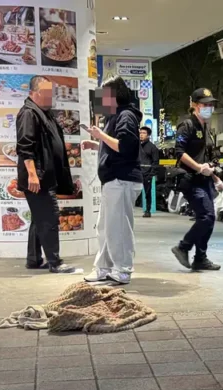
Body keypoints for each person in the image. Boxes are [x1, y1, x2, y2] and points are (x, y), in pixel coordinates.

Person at [81, 77, 144, 284]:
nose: (100, 101)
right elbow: (115, 145)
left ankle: (123, 270)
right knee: (106, 227)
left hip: (122, 179)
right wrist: (95, 143)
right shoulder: (115, 117)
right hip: (114, 180)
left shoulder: (126, 116)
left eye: (104, 95)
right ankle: (104, 267)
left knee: (118, 228)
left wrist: (100, 137)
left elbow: (126, 147)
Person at [17, 76, 77, 274]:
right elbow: (25, 147)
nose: (51, 97)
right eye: (47, 93)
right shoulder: (28, 113)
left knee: (39, 218)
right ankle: (55, 262)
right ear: (34, 93)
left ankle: (34, 259)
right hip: (38, 179)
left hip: (47, 177)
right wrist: (33, 175)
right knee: (49, 218)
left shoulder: (45, 113)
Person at [171, 88, 223, 271]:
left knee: (209, 219)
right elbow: (179, 153)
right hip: (190, 179)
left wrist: (216, 178)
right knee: (206, 216)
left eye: (211, 105)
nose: (209, 108)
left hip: (205, 180)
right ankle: (183, 247)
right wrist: (198, 168)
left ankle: (200, 257)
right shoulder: (186, 125)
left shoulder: (206, 128)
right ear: (194, 105)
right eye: (205, 105)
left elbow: (206, 159)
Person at [138, 126, 161, 217]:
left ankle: (148, 210)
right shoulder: (137, 146)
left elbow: (156, 162)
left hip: (147, 173)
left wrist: (151, 174)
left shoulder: (152, 148)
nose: (141, 135)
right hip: (137, 172)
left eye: (143, 133)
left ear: (148, 135)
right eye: (140, 133)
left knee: (147, 192)